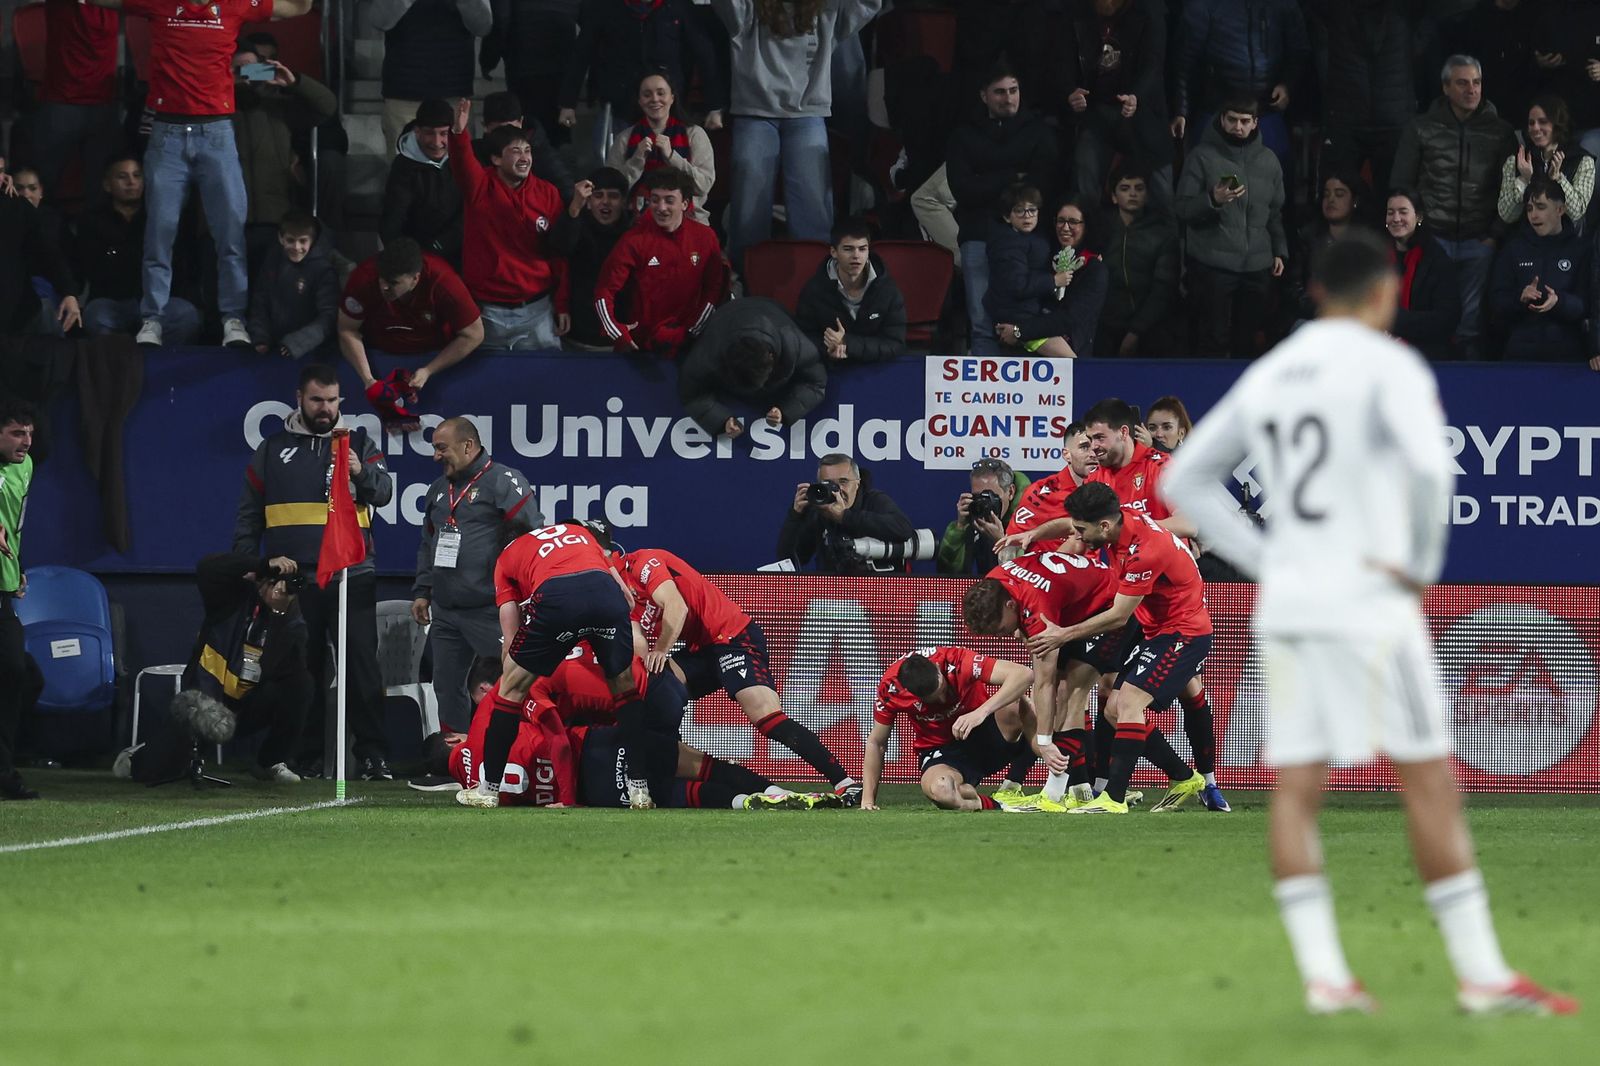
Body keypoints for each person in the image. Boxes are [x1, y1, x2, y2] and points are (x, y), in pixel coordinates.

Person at [1159, 231, 1578, 1017]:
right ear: (1384, 293)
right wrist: (1418, 563)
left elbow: (1184, 477)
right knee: (1427, 780)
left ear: (1316, 293)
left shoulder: (1276, 372)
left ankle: (1325, 979)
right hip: (1367, 599)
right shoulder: (1390, 366)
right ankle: (1481, 974)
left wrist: (1269, 556)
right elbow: (1428, 474)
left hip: (1291, 604)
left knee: (1297, 786)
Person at [86, 0, 317, 350]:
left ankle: (233, 319)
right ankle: (153, 319)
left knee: (229, 236)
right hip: (167, 134)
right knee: (159, 235)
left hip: (217, 135)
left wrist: (261, 74)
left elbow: (299, 7)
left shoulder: (236, 6)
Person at [232, 364, 394, 780]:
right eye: (317, 400)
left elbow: (385, 492)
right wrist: (249, 563)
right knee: (300, 669)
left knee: (361, 667)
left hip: (351, 574)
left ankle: (374, 755)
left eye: (333, 400)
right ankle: (304, 756)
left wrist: (361, 471)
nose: (325, 409)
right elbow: (250, 515)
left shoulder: (356, 442)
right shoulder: (271, 448)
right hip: (293, 579)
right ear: (299, 399)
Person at [1017, 483, 1214, 816]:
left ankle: (1114, 799)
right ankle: (1184, 778)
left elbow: (1119, 615)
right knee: (1113, 710)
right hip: (1159, 631)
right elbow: (1069, 524)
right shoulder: (1121, 521)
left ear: (1104, 526)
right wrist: (1034, 534)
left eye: (1082, 531)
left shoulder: (1145, 551)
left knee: (1130, 702)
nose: (1076, 536)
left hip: (1184, 633)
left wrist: (1063, 635)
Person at [616, 543, 860, 801]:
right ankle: (668, 769)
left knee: (767, 718)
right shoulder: (622, 597)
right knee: (657, 691)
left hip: (732, 637)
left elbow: (678, 608)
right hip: (703, 649)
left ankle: (844, 782)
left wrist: (661, 649)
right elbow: (637, 643)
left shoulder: (644, 563)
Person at [448, 654, 829, 810]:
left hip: (591, 781)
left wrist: (568, 800)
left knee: (672, 792)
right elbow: (560, 740)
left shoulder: (472, 774)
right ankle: (775, 792)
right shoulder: (512, 693)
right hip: (625, 719)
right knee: (691, 764)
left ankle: (744, 805)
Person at [454, 522, 653, 808]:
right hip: (606, 596)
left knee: (510, 691)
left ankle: (488, 790)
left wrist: (527, 655)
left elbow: (510, 640)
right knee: (624, 690)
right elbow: (626, 595)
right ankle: (639, 789)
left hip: (557, 598)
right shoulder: (579, 533)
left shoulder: (506, 557)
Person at [714, 0, 885, 271]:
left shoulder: (825, 8)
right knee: (749, 200)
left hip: (807, 113)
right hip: (755, 113)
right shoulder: (749, 8)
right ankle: (743, 277)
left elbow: (868, 3)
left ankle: (818, 279)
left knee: (813, 204)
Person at [961, 545, 1134, 813]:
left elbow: (1044, 682)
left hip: (1109, 611)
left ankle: (1053, 795)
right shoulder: (997, 583)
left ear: (1010, 605)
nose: (1003, 635)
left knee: (1071, 691)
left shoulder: (1034, 607)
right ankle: (1079, 792)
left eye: (1000, 628)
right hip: (1075, 611)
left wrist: (1044, 742)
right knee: (1061, 694)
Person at [123, 553, 313, 784]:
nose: (277, 588)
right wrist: (261, 565)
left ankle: (271, 761)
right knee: (157, 771)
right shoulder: (231, 599)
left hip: (245, 705)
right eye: (271, 581)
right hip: (205, 697)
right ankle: (139, 755)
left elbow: (287, 670)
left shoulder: (289, 620)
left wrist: (278, 613)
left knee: (301, 684)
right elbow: (207, 567)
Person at [413, 417, 535, 734]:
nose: (436, 456)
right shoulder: (438, 490)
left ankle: (529, 755)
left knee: (520, 678)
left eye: (442, 448)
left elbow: (529, 541)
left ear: (468, 446)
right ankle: (455, 763)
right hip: (446, 611)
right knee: (447, 686)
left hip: (491, 609)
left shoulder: (504, 482)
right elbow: (428, 543)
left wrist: (520, 598)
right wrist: (422, 590)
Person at [1390, 55, 1517, 360]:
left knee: (1470, 327)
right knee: (1429, 319)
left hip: (1479, 240)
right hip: (1433, 241)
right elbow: (1402, 184)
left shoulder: (1501, 132)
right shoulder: (1421, 128)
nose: (1472, 89)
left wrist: (1494, 235)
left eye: (1476, 82)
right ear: (1445, 87)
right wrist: (1420, 234)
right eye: (1462, 83)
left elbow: (1512, 188)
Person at [947, 64, 1060, 355]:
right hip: (978, 236)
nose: (1008, 98)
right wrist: (1012, 176)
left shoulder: (1038, 131)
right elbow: (963, 189)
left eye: (1013, 90)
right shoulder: (963, 135)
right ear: (983, 96)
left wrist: (987, 179)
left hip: (1029, 240)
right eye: (999, 92)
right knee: (983, 325)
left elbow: (1042, 187)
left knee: (1031, 324)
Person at [449, 98, 576, 350]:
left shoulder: (548, 193)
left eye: (527, 151)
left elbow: (557, 254)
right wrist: (458, 133)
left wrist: (561, 304)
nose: (524, 158)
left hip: (538, 311)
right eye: (515, 151)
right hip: (487, 314)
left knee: (544, 385)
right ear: (496, 159)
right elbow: (463, 163)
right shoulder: (480, 187)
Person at [1174, 93, 1288, 358]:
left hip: (1257, 266)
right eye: (1232, 120)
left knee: (1247, 343)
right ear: (1221, 120)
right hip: (1213, 266)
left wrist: (1279, 250)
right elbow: (1182, 209)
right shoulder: (1201, 157)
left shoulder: (1269, 160)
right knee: (1213, 340)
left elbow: (1275, 212)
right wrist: (1212, 199)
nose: (1238, 127)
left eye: (1245, 121)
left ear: (1255, 123)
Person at [863, 648, 1038, 811]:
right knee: (942, 790)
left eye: (943, 690)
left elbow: (1024, 675)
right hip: (943, 754)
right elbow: (876, 743)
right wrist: (868, 801)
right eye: (933, 699)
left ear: (938, 669)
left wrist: (980, 712)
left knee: (1021, 703)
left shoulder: (956, 659)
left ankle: (1015, 786)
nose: (943, 700)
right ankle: (994, 804)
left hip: (985, 732)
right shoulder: (890, 689)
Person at [562, 0, 725, 167]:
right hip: (620, 105)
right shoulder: (605, 7)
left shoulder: (680, 6)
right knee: (611, 164)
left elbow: (705, 54)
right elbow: (582, 53)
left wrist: (714, 106)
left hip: (667, 107)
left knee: (671, 166)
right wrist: (568, 103)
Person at [593, 168, 726, 356]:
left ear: (685, 204)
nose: (661, 207)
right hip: (640, 348)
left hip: (689, 346)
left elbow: (714, 289)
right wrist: (619, 334)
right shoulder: (634, 240)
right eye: (655, 200)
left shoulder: (705, 238)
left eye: (669, 200)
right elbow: (604, 290)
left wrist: (693, 332)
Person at [229, 43, 339, 271]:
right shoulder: (211, 108)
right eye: (236, 69)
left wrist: (294, 82)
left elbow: (326, 106)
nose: (244, 75)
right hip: (226, 219)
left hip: (275, 218)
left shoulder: (278, 107)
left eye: (250, 68)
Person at [1172, 0, 1308, 179]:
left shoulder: (1281, 4)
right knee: (1208, 179)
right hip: (1216, 110)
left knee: (1276, 180)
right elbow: (1184, 61)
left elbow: (1298, 50)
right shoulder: (1204, 5)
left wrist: (1287, 84)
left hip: (1266, 108)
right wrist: (1180, 110)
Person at [76, 156, 203, 346]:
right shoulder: (93, 220)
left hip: (158, 303)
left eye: (137, 175)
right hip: (113, 302)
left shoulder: (159, 216)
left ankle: (157, 363)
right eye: (122, 177)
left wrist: (117, 252)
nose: (131, 182)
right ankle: (121, 366)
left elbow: (178, 264)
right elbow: (93, 268)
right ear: (107, 185)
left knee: (186, 315)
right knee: (96, 316)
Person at [338, 239, 486, 402]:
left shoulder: (443, 281)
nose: (384, 287)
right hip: (377, 354)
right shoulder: (364, 277)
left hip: (433, 355)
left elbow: (474, 334)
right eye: (382, 279)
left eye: (393, 282)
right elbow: (347, 329)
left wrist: (429, 370)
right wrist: (368, 379)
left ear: (415, 278)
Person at [1062, 0, 1171, 208]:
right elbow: (1062, 61)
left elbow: (1154, 64)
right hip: (1095, 109)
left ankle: (1165, 237)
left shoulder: (1150, 11)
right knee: (1085, 176)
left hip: (1142, 110)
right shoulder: (1077, 10)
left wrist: (1136, 96)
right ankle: (1089, 234)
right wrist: (1069, 92)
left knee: (1161, 190)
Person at [678, 296, 826, 437]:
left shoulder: (794, 343)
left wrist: (786, 410)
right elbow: (691, 394)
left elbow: (816, 383)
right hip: (726, 317)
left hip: (774, 312)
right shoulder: (710, 351)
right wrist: (722, 421)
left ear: (772, 358)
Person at [1311, 0, 1416, 190]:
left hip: (1391, 123)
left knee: (1392, 205)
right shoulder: (1337, 9)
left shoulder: (1402, 9)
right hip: (1347, 120)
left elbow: (1431, 17)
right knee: (1335, 197)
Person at [29, 0, 121, 210]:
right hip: (61, 103)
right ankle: (39, 238)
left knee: (100, 193)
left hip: (101, 106)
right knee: (42, 188)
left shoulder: (114, 5)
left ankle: (94, 241)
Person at [373, 0, 493, 157]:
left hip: (454, 93)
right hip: (403, 93)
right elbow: (378, 20)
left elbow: (484, 26)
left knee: (459, 173)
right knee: (404, 172)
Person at [993, 196, 1107, 358]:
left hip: (1069, 360)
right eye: (1060, 220)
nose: (1065, 227)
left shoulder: (1094, 268)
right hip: (1024, 357)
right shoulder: (1043, 258)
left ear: (1087, 226)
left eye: (1073, 222)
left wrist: (1020, 331)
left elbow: (1070, 318)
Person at [1490, 179, 1589, 361]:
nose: (1533, 215)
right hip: (1520, 353)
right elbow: (1496, 302)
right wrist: (1520, 297)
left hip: (1566, 358)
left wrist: (1559, 302)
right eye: (1529, 209)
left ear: (1560, 210)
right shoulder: (1514, 249)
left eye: (1541, 207)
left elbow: (1587, 305)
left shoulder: (1579, 249)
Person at [606, 71, 717, 224]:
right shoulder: (624, 138)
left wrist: (672, 157)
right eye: (647, 94)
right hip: (635, 222)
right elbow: (612, 191)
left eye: (661, 93)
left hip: (690, 221)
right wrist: (636, 160)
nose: (654, 99)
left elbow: (703, 186)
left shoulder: (695, 134)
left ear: (672, 97)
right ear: (639, 101)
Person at [777, 453, 915, 575]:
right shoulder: (819, 512)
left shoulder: (874, 500)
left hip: (878, 589)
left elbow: (903, 529)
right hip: (833, 593)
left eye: (843, 482)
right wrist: (795, 517)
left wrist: (844, 516)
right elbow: (790, 561)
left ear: (857, 484)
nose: (837, 490)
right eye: (828, 483)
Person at [793, 216, 908, 362]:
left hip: (875, 368)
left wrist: (847, 343)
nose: (856, 256)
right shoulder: (814, 290)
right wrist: (829, 350)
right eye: (848, 249)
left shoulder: (887, 290)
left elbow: (895, 344)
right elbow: (804, 337)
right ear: (834, 252)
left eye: (862, 249)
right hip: (828, 368)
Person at [0, 399, 39, 800]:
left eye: (29, 433)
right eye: (16, 433)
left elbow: (14, 523)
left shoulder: (25, 467)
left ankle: (4, 773)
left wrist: (17, 567)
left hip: (5, 588)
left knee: (17, 674)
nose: (25, 441)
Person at [1097, 163, 1179, 357]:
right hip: (1105, 327)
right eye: (1125, 189)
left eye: (1139, 188)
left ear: (1148, 195)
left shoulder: (1163, 234)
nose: (1132, 194)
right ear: (1114, 196)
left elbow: (1164, 289)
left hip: (1150, 327)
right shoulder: (1099, 230)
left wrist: (1135, 332)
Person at [478, 0, 580, 151]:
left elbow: (501, 19)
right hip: (562, 66)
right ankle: (558, 171)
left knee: (526, 134)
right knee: (557, 137)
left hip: (524, 65)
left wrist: (488, 60)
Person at [0, 160, 80, 343]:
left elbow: (48, 253)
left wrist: (69, 292)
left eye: (1, 171)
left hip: (16, 317)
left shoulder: (17, 208)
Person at [553, 167, 631, 351]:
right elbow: (559, 248)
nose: (605, 202)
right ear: (588, 201)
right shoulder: (576, 225)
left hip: (622, 336)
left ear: (624, 202)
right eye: (598, 196)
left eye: (613, 196)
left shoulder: (634, 234)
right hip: (578, 332)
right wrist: (574, 208)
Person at [381, 99, 465, 267]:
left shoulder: (464, 160)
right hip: (417, 257)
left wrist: (440, 246)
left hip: (461, 251)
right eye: (429, 133)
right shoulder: (403, 166)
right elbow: (393, 220)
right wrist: (409, 257)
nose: (436, 142)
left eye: (443, 134)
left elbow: (470, 211)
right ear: (417, 131)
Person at [248, 210, 339, 360]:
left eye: (303, 241)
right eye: (290, 240)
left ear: (312, 240)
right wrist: (260, 336)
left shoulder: (323, 270)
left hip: (314, 353)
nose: (296, 247)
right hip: (273, 350)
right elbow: (260, 302)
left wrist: (298, 343)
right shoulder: (272, 263)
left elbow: (329, 317)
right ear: (280, 238)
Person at [1384, 187, 1463, 361]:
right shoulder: (1376, 257)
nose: (1396, 218)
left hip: (1426, 352)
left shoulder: (1437, 260)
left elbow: (1447, 318)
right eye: (1391, 212)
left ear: (1418, 217)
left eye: (1403, 212)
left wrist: (1394, 321)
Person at [1291, 169, 1376, 322]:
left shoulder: (1366, 242)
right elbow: (1294, 287)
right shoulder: (1307, 236)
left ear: (1355, 201)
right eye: (1326, 194)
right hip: (1314, 317)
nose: (1331, 199)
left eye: (1339, 194)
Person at [1003, 420, 1099, 554]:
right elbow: (1009, 546)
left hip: (1092, 572)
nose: (1093, 454)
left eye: (1095, 448)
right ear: (1067, 454)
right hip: (1047, 573)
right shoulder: (1040, 493)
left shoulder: (1106, 489)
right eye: (1084, 447)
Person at [1496, 96, 1595, 225]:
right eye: (1531, 123)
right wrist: (1523, 181)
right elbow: (1506, 216)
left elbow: (1576, 212)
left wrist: (1559, 179)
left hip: (1566, 239)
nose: (1535, 128)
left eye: (1543, 122)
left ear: (1557, 125)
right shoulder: (1516, 161)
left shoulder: (1582, 160)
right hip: (1526, 238)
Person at [936, 458, 1031, 576]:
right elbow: (947, 577)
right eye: (978, 496)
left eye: (991, 496)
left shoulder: (1030, 523)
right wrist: (959, 528)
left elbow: (1025, 580)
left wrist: (1001, 542)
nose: (985, 504)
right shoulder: (975, 520)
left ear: (1010, 492)